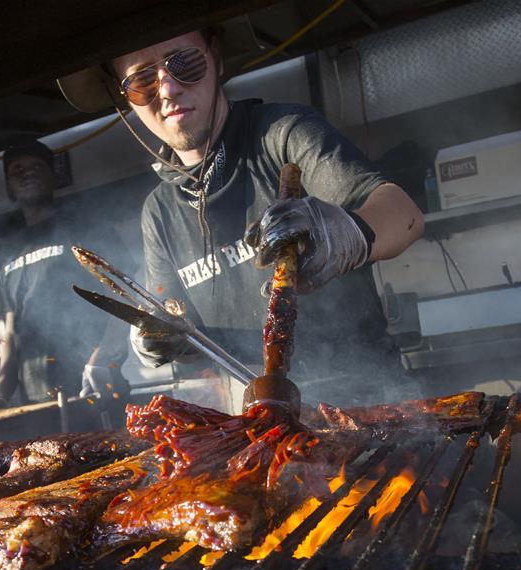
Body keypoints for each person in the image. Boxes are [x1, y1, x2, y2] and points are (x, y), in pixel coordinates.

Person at [58, 26, 424, 406]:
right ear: (125, 98)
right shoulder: (159, 211)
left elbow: (405, 216)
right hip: (257, 421)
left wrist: (344, 233)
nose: (167, 90)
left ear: (215, 56)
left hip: (369, 406)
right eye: (142, 80)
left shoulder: (284, 135)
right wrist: (161, 338)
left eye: (183, 62)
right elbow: (186, 329)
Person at [0, 140, 129, 416]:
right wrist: (1, 392)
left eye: (36, 166)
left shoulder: (84, 227)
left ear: (53, 177)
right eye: (18, 169)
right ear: (8, 186)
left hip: (94, 387)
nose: (27, 173)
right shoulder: (8, 252)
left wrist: (102, 357)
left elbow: (125, 295)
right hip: (36, 402)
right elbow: (9, 331)